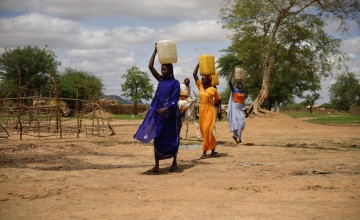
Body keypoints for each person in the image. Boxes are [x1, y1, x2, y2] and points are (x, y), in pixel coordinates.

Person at [134, 43, 182, 174]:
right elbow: (150, 66)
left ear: (171, 70)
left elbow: (175, 98)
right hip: (159, 114)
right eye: (162, 69)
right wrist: (155, 50)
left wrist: (166, 108)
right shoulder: (161, 80)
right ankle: (156, 165)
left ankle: (174, 162)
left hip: (171, 115)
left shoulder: (176, 83)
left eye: (165, 69)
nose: (162, 71)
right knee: (158, 137)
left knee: (173, 137)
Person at [193, 63, 222, 159]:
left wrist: (220, 110)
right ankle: (213, 149)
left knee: (207, 130)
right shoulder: (200, 87)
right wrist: (199, 65)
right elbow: (194, 74)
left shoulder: (212, 89)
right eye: (202, 80)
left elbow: (218, 99)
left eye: (204, 80)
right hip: (201, 111)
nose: (203, 81)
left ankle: (204, 152)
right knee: (204, 131)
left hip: (209, 110)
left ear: (209, 80)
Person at [227, 70, 246, 144]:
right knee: (236, 123)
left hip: (241, 108)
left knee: (242, 123)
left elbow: (243, 102)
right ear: (237, 85)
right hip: (235, 108)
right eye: (239, 84)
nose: (240, 85)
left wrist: (245, 111)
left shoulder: (243, 92)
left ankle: (236, 137)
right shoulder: (234, 90)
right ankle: (238, 138)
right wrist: (232, 74)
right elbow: (229, 82)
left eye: (241, 84)